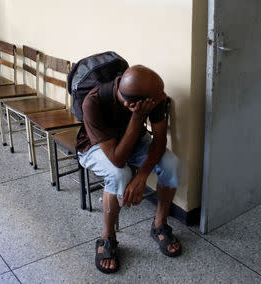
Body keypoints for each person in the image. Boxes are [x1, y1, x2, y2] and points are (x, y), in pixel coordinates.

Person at [76, 65, 182, 274]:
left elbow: (159, 140)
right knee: (119, 173)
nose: (162, 98)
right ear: (133, 104)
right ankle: (107, 237)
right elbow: (116, 159)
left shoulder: (154, 96)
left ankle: (159, 224)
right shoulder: (93, 102)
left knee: (171, 164)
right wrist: (136, 118)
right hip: (96, 146)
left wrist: (142, 176)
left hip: (133, 141)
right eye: (156, 99)